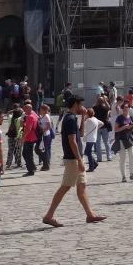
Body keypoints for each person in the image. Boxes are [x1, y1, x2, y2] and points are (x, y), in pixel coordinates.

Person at [42, 97, 105, 227]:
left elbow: (80, 134)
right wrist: (79, 160)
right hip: (73, 159)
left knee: (81, 187)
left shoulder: (73, 118)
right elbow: (72, 140)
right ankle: (48, 216)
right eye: (81, 104)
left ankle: (90, 215)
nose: (83, 107)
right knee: (65, 187)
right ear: (76, 104)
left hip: (76, 158)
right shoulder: (70, 119)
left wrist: (83, 117)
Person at [113, 99, 133, 182]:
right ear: (122, 109)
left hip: (130, 138)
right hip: (121, 139)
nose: (126, 109)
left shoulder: (130, 117)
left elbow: (132, 129)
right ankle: (123, 176)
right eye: (124, 107)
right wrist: (124, 127)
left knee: (132, 155)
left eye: (127, 107)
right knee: (123, 158)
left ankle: (132, 173)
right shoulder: (119, 118)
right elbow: (116, 129)